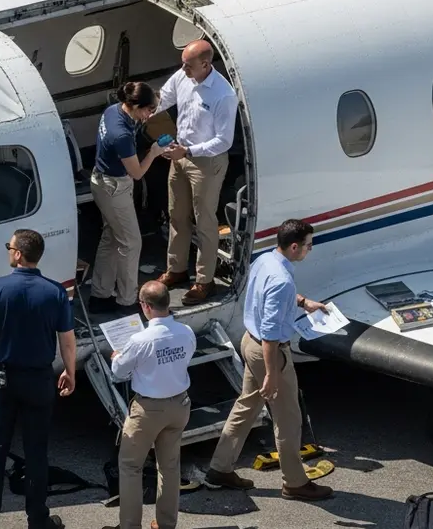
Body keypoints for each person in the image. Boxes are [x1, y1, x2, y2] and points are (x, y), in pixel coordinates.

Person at [204, 218, 333, 501]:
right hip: (269, 351)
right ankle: (295, 483)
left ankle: (220, 468)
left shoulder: (266, 260)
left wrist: (302, 302)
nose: (310, 250)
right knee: (288, 419)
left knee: (247, 405)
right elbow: (272, 334)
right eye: (309, 246)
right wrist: (273, 373)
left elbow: (268, 297)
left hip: (249, 342)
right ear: (295, 246)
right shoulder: (283, 280)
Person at [0, 229, 77, 529]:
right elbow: (67, 340)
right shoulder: (55, 292)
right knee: (36, 451)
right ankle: (38, 519)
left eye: (9, 247)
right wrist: (70, 371)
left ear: (17, 254)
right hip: (39, 379)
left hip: (2, 378)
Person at [153, 39, 239, 306]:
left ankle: (205, 281)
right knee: (177, 214)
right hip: (180, 155)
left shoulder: (223, 95)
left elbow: (224, 141)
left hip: (206, 163)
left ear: (205, 64)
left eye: (188, 65)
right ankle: (176, 269)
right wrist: (139, 111)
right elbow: (163, 98)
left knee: (205, 222)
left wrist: (188, 152)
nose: (183, 69)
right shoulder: (183, 75)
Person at [106, 281, 196, 529]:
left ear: (145, 306)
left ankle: (130, 525)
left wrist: (117, 357)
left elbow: (119, 372)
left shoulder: (140, 339)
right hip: (179, 404)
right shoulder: (186, 331)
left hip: (148, 410)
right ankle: (166, 524)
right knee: (169, 466)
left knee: (130, 466)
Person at [89, 81, 175, 315]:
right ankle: (126, 300)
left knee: (111, 237)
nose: (149, 115)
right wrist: (154, 152)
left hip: (101, 182)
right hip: (115, 189)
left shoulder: (112, 111)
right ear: (136, 106)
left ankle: (100, 293)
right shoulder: (122, 135)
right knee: (131, 242)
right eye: (148, 110)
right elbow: (137, 173)